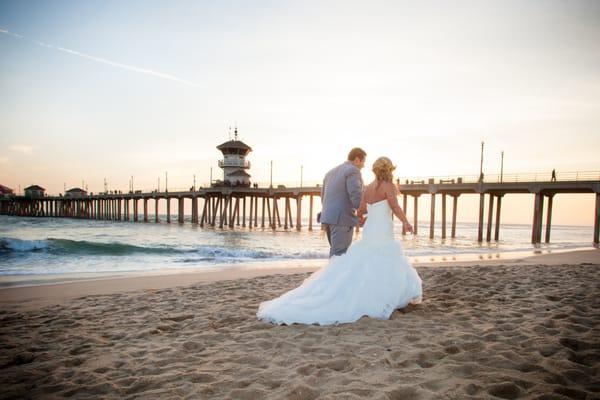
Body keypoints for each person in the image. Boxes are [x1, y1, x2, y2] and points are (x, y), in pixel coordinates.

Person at [257, 156, 422, 325]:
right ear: (389, 170)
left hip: (371, 228)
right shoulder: (388, 186)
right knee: (384, 258)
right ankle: (381, 296)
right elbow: (394, 207)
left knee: (368, 259)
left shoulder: (369, 187)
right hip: (382, 229)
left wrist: (363, 219)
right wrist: (406, 222)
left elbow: (360, 211)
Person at [319, 148, 366, 257]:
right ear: (357, 160)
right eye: (363, 162)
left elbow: (323, 197)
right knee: (340, 254)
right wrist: (362, 213)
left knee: (335, 253)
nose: (363, 165)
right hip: (342, 220)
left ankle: (330, 273)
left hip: (327, 218)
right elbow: (356, 195)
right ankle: (332, 274)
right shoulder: (353, 171)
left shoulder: (329, 173)